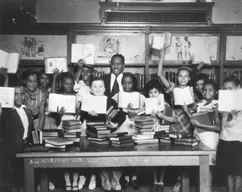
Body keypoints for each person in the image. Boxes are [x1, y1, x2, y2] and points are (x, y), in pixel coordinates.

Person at [80, 77, 126, 192]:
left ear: (105, 88)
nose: (98, 89)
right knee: (98, 157)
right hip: (93, 134)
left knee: (114, 156)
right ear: (90, 89)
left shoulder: (110, 101)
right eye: (94, 86)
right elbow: (82, 118)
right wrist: (88, 114)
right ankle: (104, 178)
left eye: (101, 86)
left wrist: (115, 125)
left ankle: (116, 180)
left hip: (108, 133)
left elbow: (121, 115)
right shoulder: (87, 101)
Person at [51, 70, 85, 192]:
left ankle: (75, 180)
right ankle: (67, 181)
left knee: (75, 154)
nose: (69, 86)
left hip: (74, 127)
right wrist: (59, 115)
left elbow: (79, 115)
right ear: (62, 84)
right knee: (64, 155)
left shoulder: (76, 97)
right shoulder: (59, 97)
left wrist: (79, 112)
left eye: (71, 84)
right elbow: (56, 120)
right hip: (62, 128)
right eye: (66, 84)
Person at [185, 79, 220, 188]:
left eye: (210, 90)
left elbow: (218, 127)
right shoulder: (200, 103)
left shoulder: (217, 105)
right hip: (198, 136)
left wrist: (200, 125)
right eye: (204, 90)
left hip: (210, 139)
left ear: (216, 92)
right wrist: (186, 111)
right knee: (199, 166)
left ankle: (206, 189)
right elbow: (195, 120)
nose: (207, 92)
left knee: (207, 167)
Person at [112, 72, 144, 190]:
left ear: (134, 84)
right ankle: (125, 177)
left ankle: (134, 177)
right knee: (123, 150)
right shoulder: (117, 95)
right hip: (121, 125)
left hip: (134, 125)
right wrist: (119, 110)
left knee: (135, 151)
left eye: (129, 83)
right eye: (124, 83)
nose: (127, 85)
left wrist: (136, 113)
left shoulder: (139, 96)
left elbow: (146, 109)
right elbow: (111, 109)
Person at [0, 85, 33, 192]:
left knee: (23, 177)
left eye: (21, 94)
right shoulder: (6, 112)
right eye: (15, 94)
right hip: (11, 150)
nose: (19, 97)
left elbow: (28, 131)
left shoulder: (27, 111)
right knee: (12, 180)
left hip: (24, 148)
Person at [216, 75, 242, 192]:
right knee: (228, 171)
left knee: (237, 172)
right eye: (225, 89)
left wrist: (234, 112)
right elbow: (224, 123)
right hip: (225, 139)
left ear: (238, 88)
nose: (227, 91)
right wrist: (221, 112)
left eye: (230, 88)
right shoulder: (224, 102)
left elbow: (231, 123)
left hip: (237, 140)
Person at [145, 79, 170, 192]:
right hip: (150, 132)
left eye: (155, 92)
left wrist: (161, 113)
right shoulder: (146, 104)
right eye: (151, 92)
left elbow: (169, 119)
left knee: (163, 157)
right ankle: (155, 180)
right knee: (152, 156)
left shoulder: (165, 104)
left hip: (163, 132)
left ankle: (161, 180)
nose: (153, 94)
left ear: (160, 93)